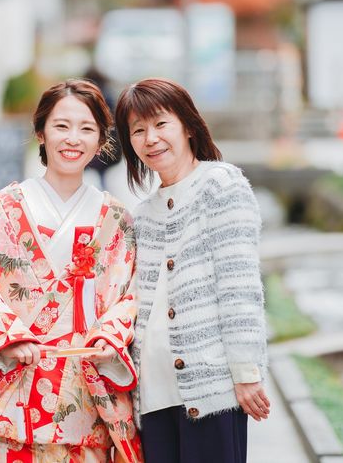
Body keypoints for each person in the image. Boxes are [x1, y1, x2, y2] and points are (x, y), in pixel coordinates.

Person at [0, 79, 142, 462]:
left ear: (101, 140)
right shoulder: (5, 208)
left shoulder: (114, 219)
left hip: (82, 396)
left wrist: (109, 337)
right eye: (61, 126)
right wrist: (8, 339)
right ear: (41, 132)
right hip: (12, 387)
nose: (73, 139)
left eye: (86, 128)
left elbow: (129, 296)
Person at [115, 78, 270, 463]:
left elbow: (239, 286)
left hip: (210, 391)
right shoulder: (142, 216)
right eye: (138, 130)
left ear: (187, 125)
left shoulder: (221, 186)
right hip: (152, 397)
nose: (151, 138)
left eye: (160, 124)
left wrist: (246, 371)